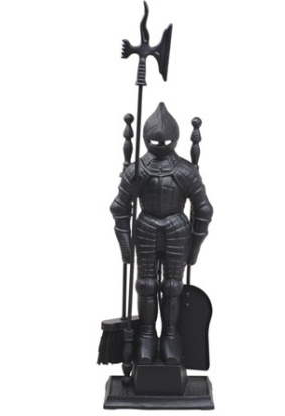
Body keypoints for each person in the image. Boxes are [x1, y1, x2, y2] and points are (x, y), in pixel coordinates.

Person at [110, 102, 213, 365]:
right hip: (146, 226)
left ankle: (170, 336)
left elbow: (203, 209)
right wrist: (125, 248)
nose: (159, 142)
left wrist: (194, 249)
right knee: (146, 285)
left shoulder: (184, 171)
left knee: (172, 286)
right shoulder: (137, 170)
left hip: (177, 228)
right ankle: (146, 336)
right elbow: (120, 207)